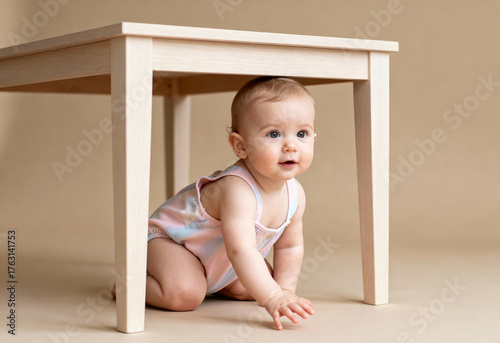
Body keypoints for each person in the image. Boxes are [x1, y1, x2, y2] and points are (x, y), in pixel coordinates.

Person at [146, 76, 316, 330]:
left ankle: (209, 282)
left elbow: (290, 247)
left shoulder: (296, 193)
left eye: (302, 133)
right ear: (241, 145)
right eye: (274, 134)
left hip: (217, 258)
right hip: (171, 243)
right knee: (186, 295)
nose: (291, 145)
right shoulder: (238, 189)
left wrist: (285, 292)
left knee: (260, 282)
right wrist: (273, 297)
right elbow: (242, 251)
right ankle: (132, 284)